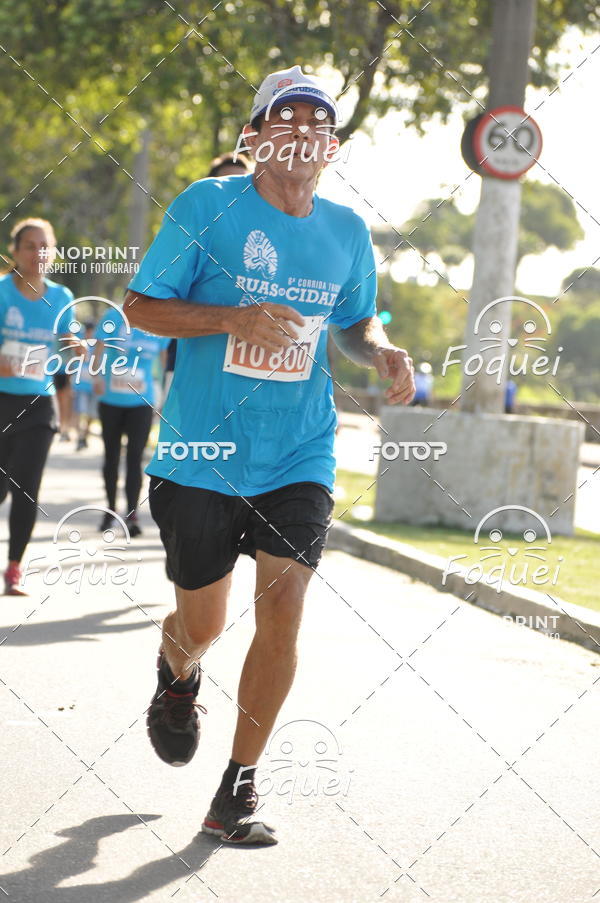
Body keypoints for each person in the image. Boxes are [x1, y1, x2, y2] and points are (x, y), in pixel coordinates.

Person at [125, 64, 415, 845]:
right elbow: (140, 306)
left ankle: (237, 788)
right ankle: (178, 675)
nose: (303, 131)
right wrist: (232, 318)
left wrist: (382, 349)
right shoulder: (206, 205)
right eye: (285, 117)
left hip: (299, 451)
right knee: (203, 622)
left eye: (319, 121)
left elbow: (355, 322)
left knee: (283, 609)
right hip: (201, 452)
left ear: (334, 146)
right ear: (253, 136)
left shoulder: (347, 232)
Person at [0, 218, 73, 594]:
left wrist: (77, 347)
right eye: (30, 245)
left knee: (26, 488)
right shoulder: (1, 293)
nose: (37, 253)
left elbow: (65, 343)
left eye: (44, 246)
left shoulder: (61, 297)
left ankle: (14, 567)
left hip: (38, 405)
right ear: (15, 251)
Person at [163, 154, 252, 399]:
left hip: (252, 375)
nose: (235, 193)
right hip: (193, 370)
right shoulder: (189, 237)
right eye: (227, 184)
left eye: (242, 184)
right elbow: (155, 302)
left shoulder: (269, 242)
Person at [94, 304, 169, 537]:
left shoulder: (158, 319)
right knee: (112, 456)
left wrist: (166, 393)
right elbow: (99, 347)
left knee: (135, 458)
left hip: (141, 403)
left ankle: (132, 514)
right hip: (111, 400)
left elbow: (164, 360)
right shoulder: (113, 316)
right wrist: (96, 376)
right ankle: (110, 510)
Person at [73, 321, 97, 450]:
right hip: (80, 385)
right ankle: (80, 437)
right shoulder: (79, 343)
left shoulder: (99, 345)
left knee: (91, 413)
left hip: (93, 385)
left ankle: (85, 435)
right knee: (79, 411)